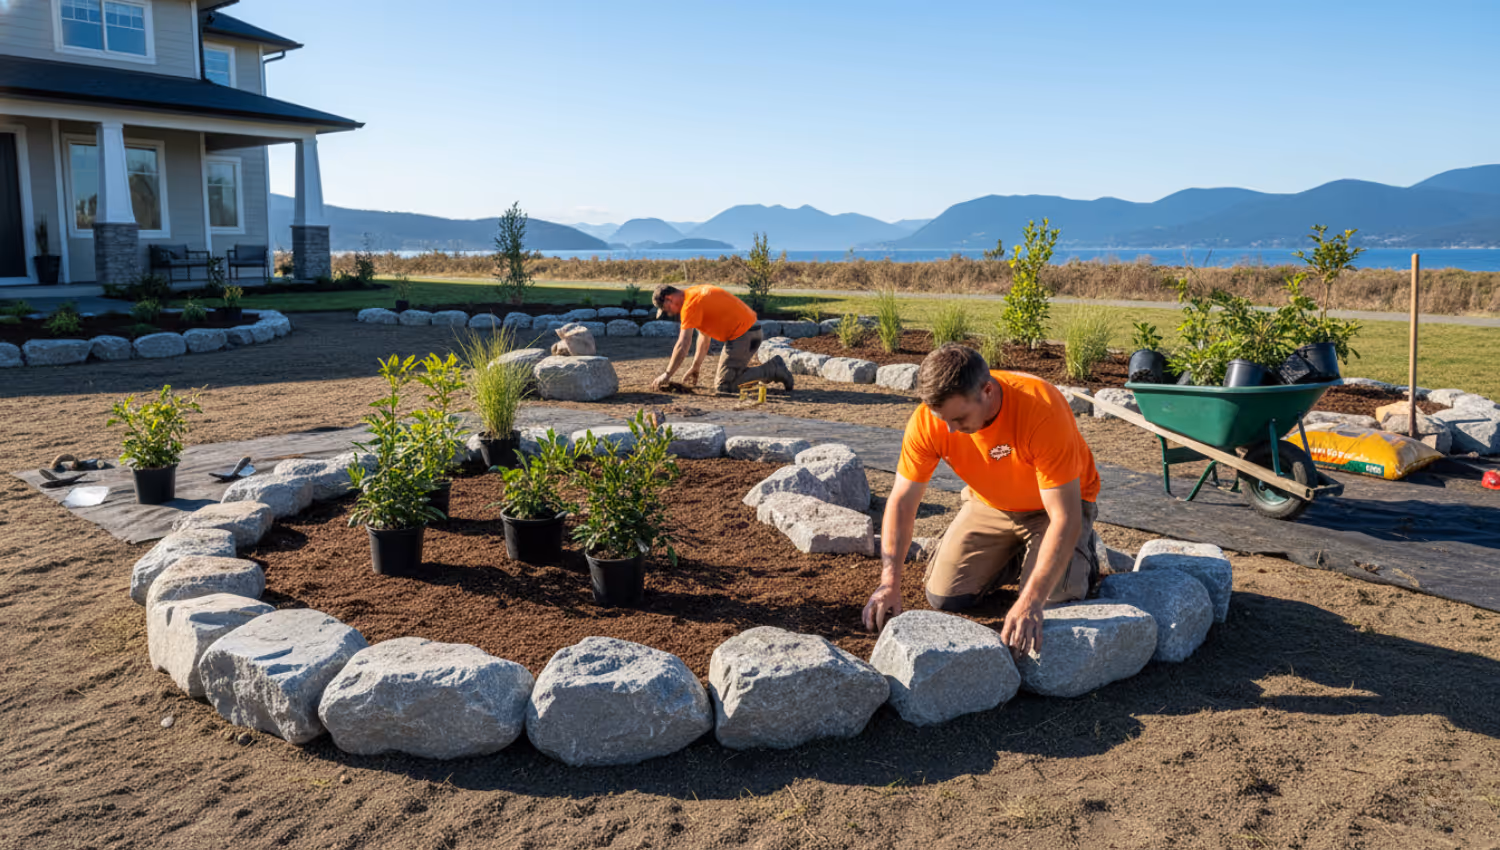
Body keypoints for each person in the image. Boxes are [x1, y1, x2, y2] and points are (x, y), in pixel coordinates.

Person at [861, 344, 1101, 658]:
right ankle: (1021, 559)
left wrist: (1029, 601)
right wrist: (888, 582)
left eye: (959, 418)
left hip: (1053, 510)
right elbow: (903, 502)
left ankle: (1082, 559)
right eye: (942, 419)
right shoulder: (930, 421)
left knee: (1050, 604)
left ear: (987, 391)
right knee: (943, 596)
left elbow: (1064, 518)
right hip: (990, 503)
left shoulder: (1040, 409)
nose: (950, 429)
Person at [649, 284, 794, 394]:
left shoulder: (689, 305)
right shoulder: (694, 293)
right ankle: (762, 371)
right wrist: (696, 366)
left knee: (724, 385)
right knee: (731, 376)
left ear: (669, 299)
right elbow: (704, 337)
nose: (668, 313)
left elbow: (682, 344)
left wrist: (667, 374)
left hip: (743, 336)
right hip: (751, 331)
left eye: (666, 309)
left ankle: (773, 369)